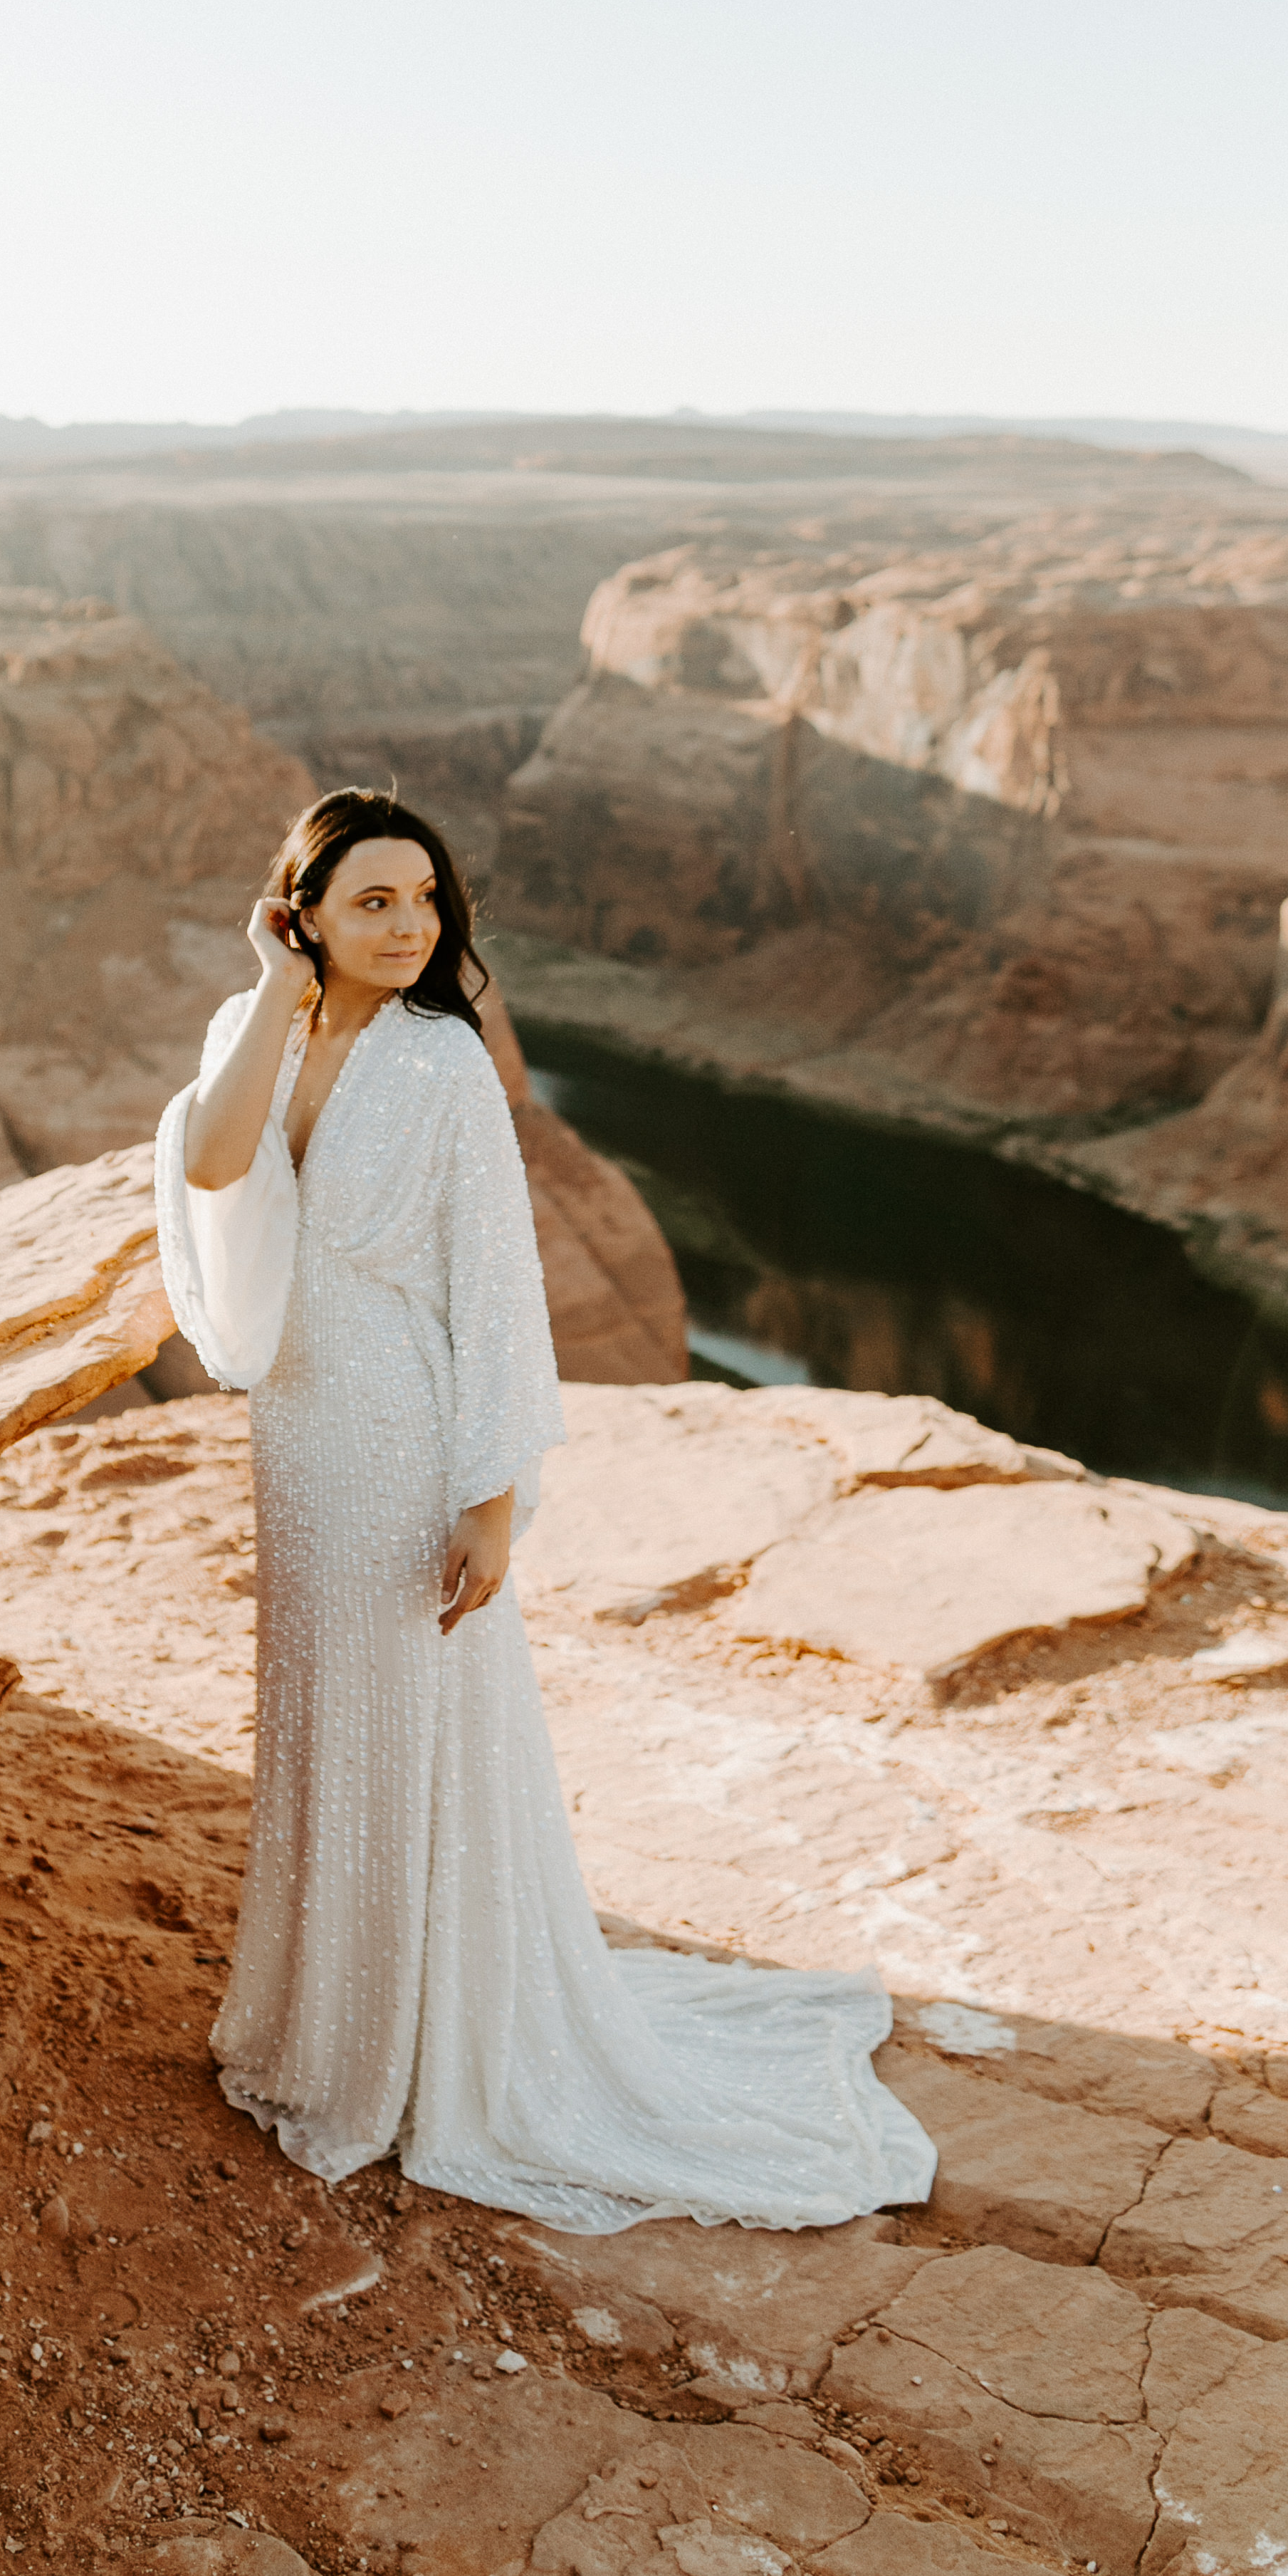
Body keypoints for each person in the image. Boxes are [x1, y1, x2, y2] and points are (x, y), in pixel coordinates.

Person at [153, 788, 934, 2235]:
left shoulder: (442, 1064)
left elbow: (497, 1292)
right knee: (321, 1707)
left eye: (427, 901)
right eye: (372, 901)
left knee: (408, 1713)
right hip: (296, 1429)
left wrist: (492, 1501)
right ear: (301, 907)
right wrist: (272, 990)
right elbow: (206, 1165)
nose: (408, 927)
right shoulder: (253, 1028)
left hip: (396, 1418)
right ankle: (326, 2024)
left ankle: (417, 2048)